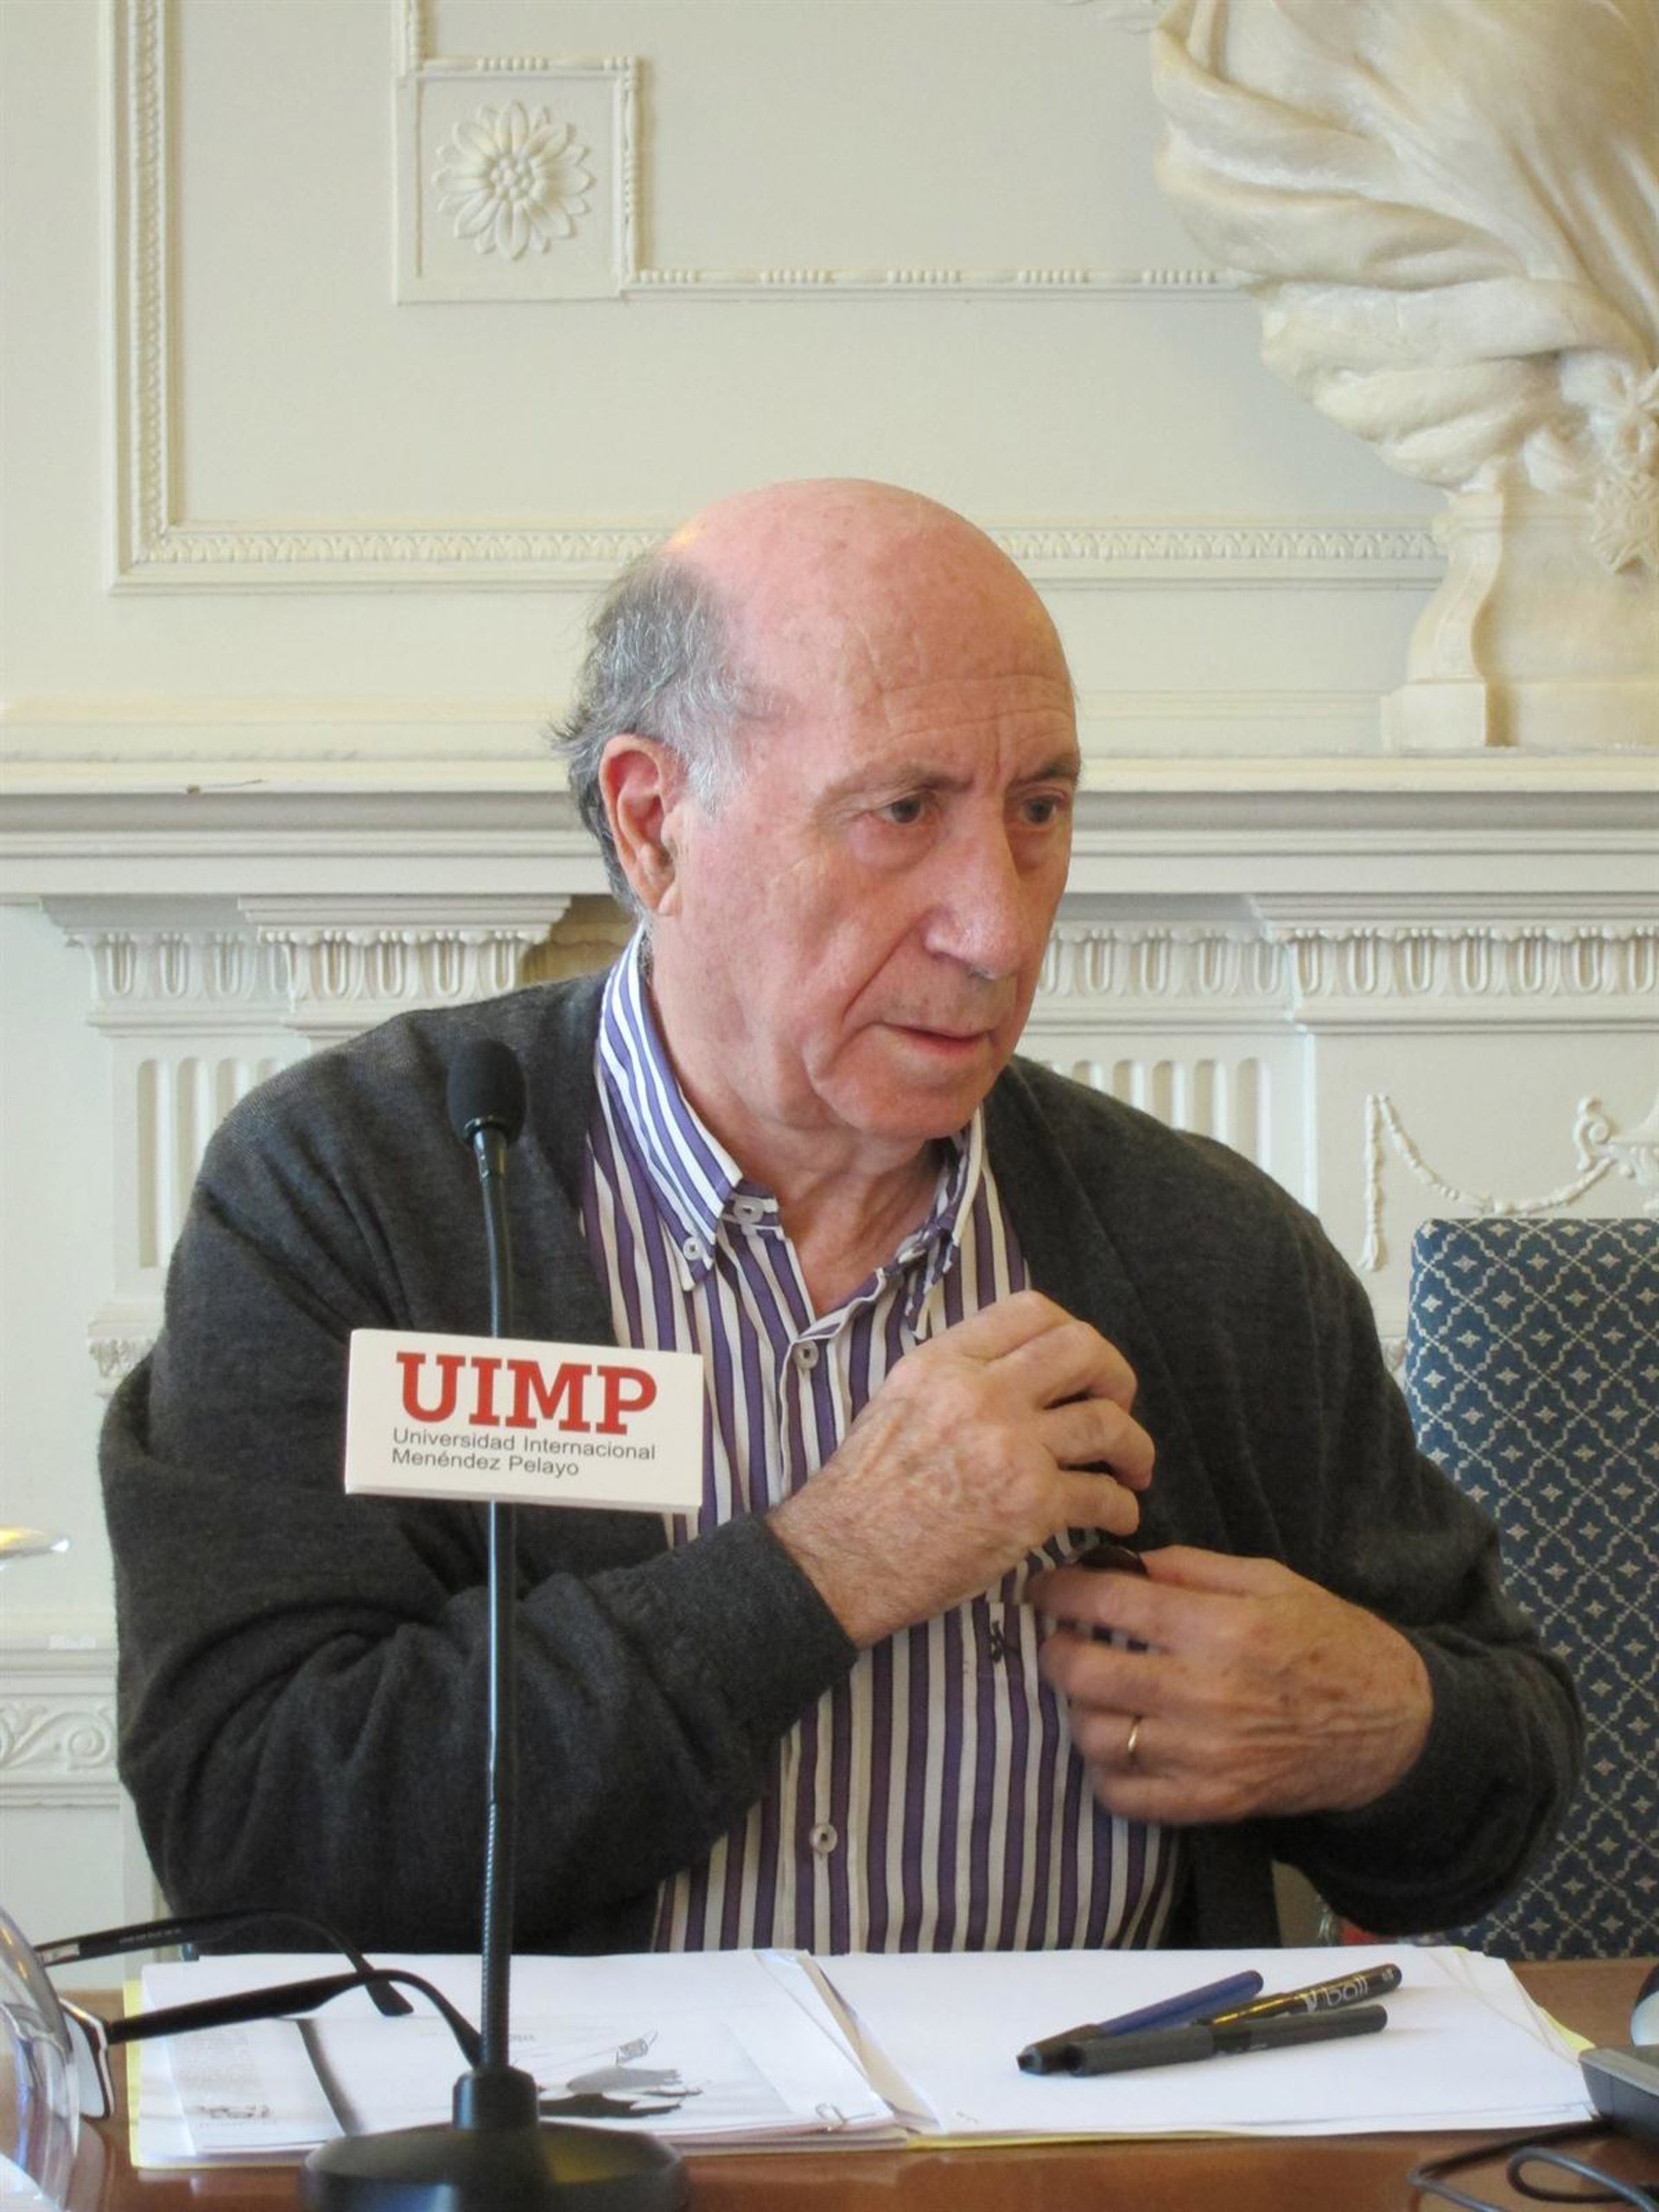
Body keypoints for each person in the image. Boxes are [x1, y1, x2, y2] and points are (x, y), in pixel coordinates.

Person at [100, 480, 1580, 1957]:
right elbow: (253, 1828)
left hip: (1095, 2099)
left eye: (1040, 810)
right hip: (562, 2111)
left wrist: (1374, 1728)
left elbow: (1501, 1784)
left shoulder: (1203, 1246)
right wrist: (832, 1562)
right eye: (901, 813)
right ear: (655, 824)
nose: (999, 928)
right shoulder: (357, 1188)